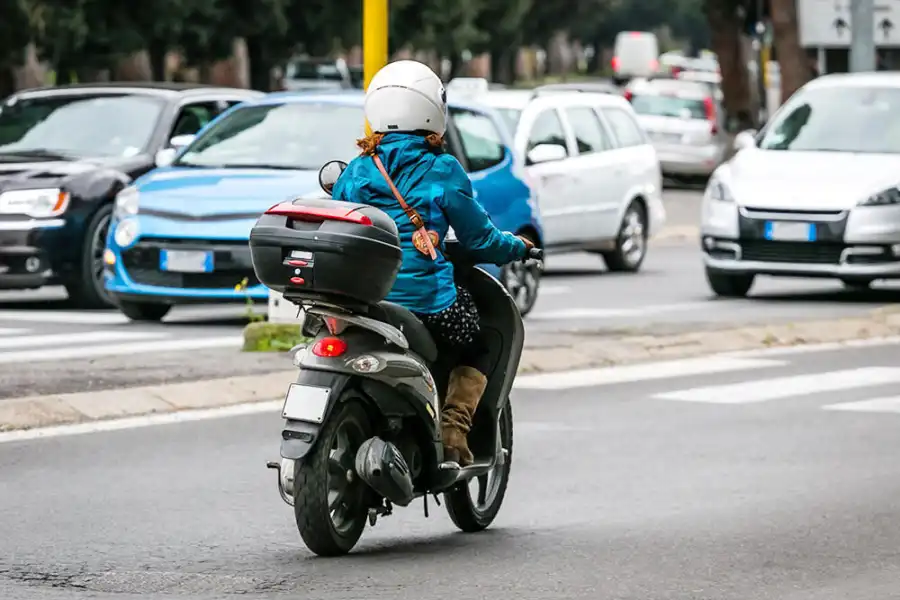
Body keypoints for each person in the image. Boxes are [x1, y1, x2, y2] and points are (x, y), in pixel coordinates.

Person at [331, 59, 532, 466]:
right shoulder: (442, 169)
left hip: (364, 300)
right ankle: (455, 428)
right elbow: (481, 239)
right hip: (426, 302)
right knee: (479, 342)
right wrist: (517, 248)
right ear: (431, 110)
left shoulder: (355, 171)